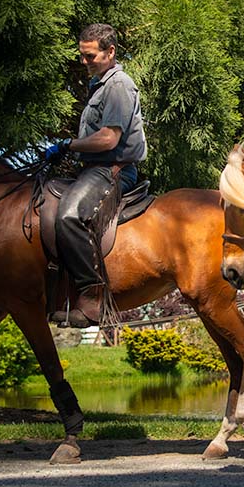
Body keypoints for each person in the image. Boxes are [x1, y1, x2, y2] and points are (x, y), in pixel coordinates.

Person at [45, 24, 147, 327]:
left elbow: (108, 139)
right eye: (82, 56)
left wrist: (68, 145)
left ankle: (92, 298)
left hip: (113, 171)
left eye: (90, 56)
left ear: (110, 52)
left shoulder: (118, 85)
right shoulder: (99, 85)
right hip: (92, 168)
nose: (84, 62)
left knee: (68, 217)